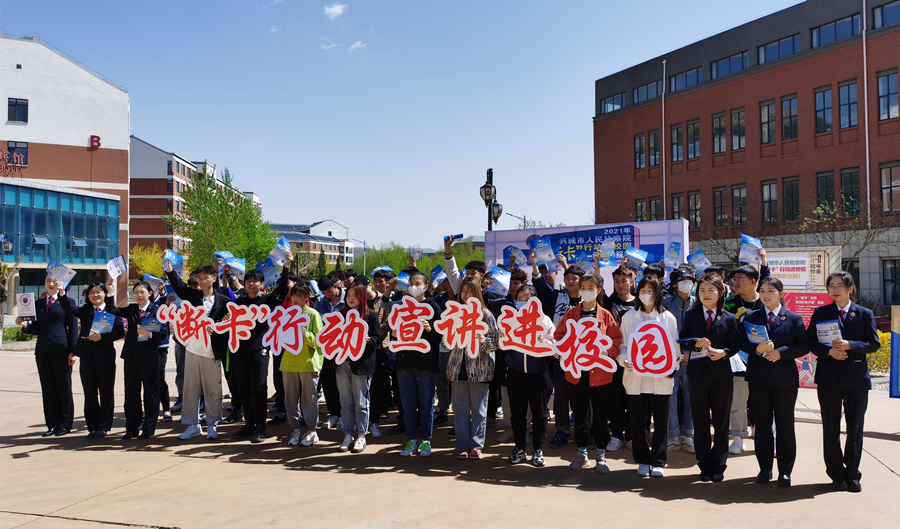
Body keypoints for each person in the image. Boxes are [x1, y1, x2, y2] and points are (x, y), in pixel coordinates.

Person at [808, 271, 880, 493]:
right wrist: (829, 352)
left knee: (855, 427)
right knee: (830, 426)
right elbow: (811, 342)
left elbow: (873, 343)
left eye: (839, 285)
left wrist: (851, 345)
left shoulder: (864, 313)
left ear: (850, 288)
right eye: (831, 286)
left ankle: (853, 474)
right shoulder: (821, 312)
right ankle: (836, 473)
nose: (835, 289)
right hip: (829, 377)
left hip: (855, 377)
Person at [738, 277, 809, 487]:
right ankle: (765, 468)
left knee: (785, 425)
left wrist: (781, 353)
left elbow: (803, 345)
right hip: (759, 378)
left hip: (784, 379)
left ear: (781, 294)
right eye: (762, 291)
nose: (766, 295)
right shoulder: (751, 317)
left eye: (771, 290)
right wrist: (757, 349)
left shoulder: (793, 318)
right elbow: (741, 342)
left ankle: (785, 470)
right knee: (762, 425)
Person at [557, 274, 623, 473]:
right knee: (580, 414)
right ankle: (582, 453)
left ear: (599, 290)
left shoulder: (606, 315)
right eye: (583, 287)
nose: (587, 291)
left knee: (601, 415)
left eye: (591, 287)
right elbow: (559, 337)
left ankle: (601, 455)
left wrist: (607, 351)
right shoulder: (571, 314)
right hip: (576, 373)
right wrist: (566, 351)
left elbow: (616, 340)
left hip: (600, 373)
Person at [618, 276, 680, 478]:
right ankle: (642, 459)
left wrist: (673, 367)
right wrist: (624, 359)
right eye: (642, 291)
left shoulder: (668, 318)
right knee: (637, 421)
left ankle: (659, 460)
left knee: (661, 421)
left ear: (658, 293)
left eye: (650, 291)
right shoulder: (629, 317)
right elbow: (622, 346)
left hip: (661, 378)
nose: (646, 295)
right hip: (635, 376)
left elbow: (675, 350)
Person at [680, 276, 738, 482]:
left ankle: (719, 465)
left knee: (721, 421)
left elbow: (736, 344)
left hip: (722, 375)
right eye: (702, 290)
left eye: (711, 290)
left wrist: (724, 353)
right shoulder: (691, 315)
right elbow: (682, 340)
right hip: (697, 375)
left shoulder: (729, 317)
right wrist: (695, 344)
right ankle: (704, 464)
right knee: (700, 420)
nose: (706, 294)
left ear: (720, 293)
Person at [166, 262, 232, 440]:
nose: (202, 281)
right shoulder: (192, 296)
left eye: (205, 278)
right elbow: (178, 286)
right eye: (200, 278)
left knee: (212, 388)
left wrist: (218, 327)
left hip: (211, 351)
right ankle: (192, 424)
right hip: (192, 348)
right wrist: (170, 270)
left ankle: (212, 424)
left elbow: (228, 326)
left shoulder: (224, 301)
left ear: (214, 278)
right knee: (190, 387)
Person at [229, 260, 292, 442]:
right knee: (243, 389)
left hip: (259, 349)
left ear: (262, 284)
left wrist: (285, 268)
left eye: (254, 281)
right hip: (239, 350)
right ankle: (249, 424)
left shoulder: (267, 301)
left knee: (258, 388)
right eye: (248, 281)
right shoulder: (239, 303)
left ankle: (260, 426)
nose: (250, 284)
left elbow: (282, 291)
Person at [58, 280, 124, 438]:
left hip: (106, 357)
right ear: (87, 296)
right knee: (89, 393)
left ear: (105, 294)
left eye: (98, 292)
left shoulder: (112, 310)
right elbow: (69, 308)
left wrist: (102, 337)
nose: (95, 295)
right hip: (87, 358)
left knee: (106, 392)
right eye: (91, 293)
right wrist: (62, 293)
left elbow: (120, 332)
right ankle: (92, 426)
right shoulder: (85, 310)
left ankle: (104, 426)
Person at [532, 251, 583, 450]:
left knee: (583, 394)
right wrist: (534, 263)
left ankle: (584, 431)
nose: (570, 281)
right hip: (560, 354)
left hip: (583, 355)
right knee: (561, 394)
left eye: (574, 278)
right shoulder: (558, 297)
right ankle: (561, 429)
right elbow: (540, 285)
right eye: (567, 278)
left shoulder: (588, 301)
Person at [16, 275, 79, 437]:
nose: (50, 284)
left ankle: (65, 424)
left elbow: (73, 329)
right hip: (43, 350)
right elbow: (37, 328)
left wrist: (73, 351)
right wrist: (24, 325)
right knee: (48, 389)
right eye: (47, 281)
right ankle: (52, 424)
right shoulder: (38, 304)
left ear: (60, 283)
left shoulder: (68, 302)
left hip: (62, 350)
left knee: (64, 388)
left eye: (53, 281)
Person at [107, 281, 169, 440]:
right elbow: (113, 310)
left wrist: (149, 334)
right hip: (132, 355)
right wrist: (110, 291)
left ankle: (149, 427)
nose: (139, 295)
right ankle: (131, 428)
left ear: (150, 293)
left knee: (151, 392)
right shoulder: (132, 309)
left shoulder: (157, 310)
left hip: (150, 356)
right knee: (131, 393)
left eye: (142, 292)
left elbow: (163, 333)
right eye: (135, 293)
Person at [446, 277, 499, 460]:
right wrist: (446, 340)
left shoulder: (486, 315)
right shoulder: (454, 313)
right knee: (460, 410)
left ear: (477, 292)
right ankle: (462, 445)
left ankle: (476, 446)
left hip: (480, 369)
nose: (466, 295)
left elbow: (496, 342)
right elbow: (445, 343)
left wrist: (484, 341)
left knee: (479, 410)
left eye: (470, 291)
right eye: (463, 291)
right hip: (457, 368)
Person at [505, 285, 556, 467]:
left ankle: (537, 450)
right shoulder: (511, 320)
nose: (523, 302)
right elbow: (502, 342)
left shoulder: (545, 320)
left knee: (540, 414)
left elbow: (555, 344)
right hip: (516, 373)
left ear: (536, 301)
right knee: (517, 413)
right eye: (520, 299)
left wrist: (545, 342)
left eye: (527, 299)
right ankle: (519, 448)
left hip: (539, 373)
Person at [393, 271, 442, 457]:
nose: (414, 286)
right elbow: (394, 333)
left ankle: (426, 441)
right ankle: (411, 440)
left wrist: (429, 329)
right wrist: (394, 334)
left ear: (426, 286)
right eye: (411, 283)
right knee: (407, 405)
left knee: (426, 406)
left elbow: (439, 337)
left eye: (418, 283)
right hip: (404, 363)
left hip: (426, 364)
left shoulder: (433, 306)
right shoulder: (401, 307)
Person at [335, 283, 382, 453]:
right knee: (345, 402)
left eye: (355, 295)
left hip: (362, 365)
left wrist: (368, 340)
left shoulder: (371, 315)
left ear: (362, 297)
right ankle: (348, 435)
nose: (351, 298)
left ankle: (361, 435)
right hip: (342, 363)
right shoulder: (340, 315)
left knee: (361, 402)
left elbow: (378, 338)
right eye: (348, 295)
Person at [723, 265, 763, 455]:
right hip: (738, 359)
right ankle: (738, 438)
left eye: (740, 279)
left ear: (753, 282)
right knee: (737, 400)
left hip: (763, 359)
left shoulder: (766, 301)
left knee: (764, 401)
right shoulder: (729, 303)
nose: (735, 283)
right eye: (734, 279)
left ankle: (767, 436)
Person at [281, 281, 325, 447]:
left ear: (307, 297)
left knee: (309, 399)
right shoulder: (287, 314)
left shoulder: (313, 314)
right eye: (293, 295)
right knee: (290, 399)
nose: (295, 299)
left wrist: (306, 335)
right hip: (289, 363)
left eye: (299, 296)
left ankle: (312, 431)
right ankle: (296, 429)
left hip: (308, 363)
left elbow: (320, 341)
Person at [604, 266, 639, 452]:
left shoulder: (640, 303)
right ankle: (616, 435)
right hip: (614, 358)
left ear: (632, 282)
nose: (620, 285)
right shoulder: (608, 303)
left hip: (636, 358)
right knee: (616, 399)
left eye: (624, 281)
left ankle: (632, 436)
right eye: (616, 281)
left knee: (634, 398)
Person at [663, 266, 697, 454]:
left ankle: (689, 436)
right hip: (670, 359)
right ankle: (673, 436)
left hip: (693, 359)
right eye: (683, 281)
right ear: (675, 284)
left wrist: (690, 351)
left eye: (690, 280)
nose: (687, 284)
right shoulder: (666, 303)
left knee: (692, 398)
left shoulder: (698, 303)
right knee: (671, 398)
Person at [314, 274, 345, 430]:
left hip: (343, 346)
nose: (327, 295)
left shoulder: (348, 299)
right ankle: (334, 413)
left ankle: (345, 414)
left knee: (343, 381)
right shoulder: (320, 301)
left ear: (336, 285)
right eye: (324, 292)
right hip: (326, 347)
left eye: (329, 291)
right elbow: (316, 320)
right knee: (327, 380)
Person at [371, 268, 398, 437]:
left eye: (381, 281)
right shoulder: (372, 299)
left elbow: (390, 320)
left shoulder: (394, 299)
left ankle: (386, 407)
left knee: (386, 380)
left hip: (387, 344)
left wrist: (382, 330)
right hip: (373, 346)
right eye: (375, 281)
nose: (378, 284)